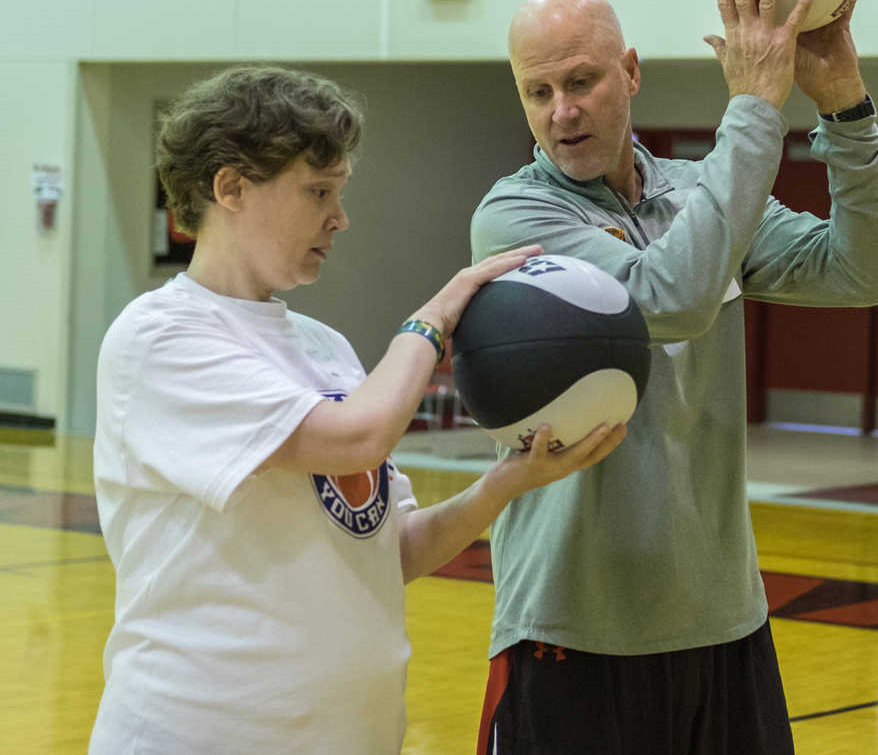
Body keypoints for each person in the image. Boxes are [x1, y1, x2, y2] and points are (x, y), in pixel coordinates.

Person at [88, 65, 625, 755]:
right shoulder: (159, 337)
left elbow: (391, 548)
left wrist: (506, 483)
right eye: (318, 192)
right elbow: (358, 438)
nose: (339, 217)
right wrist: (432, 320)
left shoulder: (326, 348)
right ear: (230, 187)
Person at [471, 0, 878, 755]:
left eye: (581, 81)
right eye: (539, 92)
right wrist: (752, 108)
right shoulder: (515, 214)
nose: (561, 111)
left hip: (723, 623)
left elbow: (867, 269)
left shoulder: (699, 192)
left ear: (631, 73)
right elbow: (668, 298)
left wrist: (844, 104)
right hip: (576, 630)